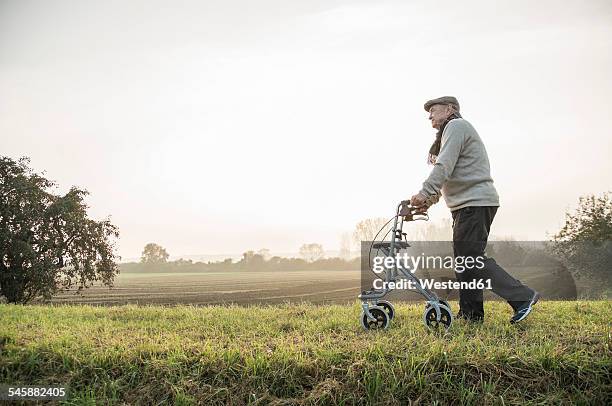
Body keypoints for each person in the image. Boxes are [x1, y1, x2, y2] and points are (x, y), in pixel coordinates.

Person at [410, 96, 539, 324]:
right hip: (468, 204)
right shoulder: (450, 132)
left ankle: (522, 297)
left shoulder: (456, 126)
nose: (429, 115)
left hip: (475, 202)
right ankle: (471, 315)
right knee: (466, 262)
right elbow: (447, 177)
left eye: (434, 110)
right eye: (428, 112)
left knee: (471, 260)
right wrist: (426, 202)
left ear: (450, 109)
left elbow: (444, 166)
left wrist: (423, 192)